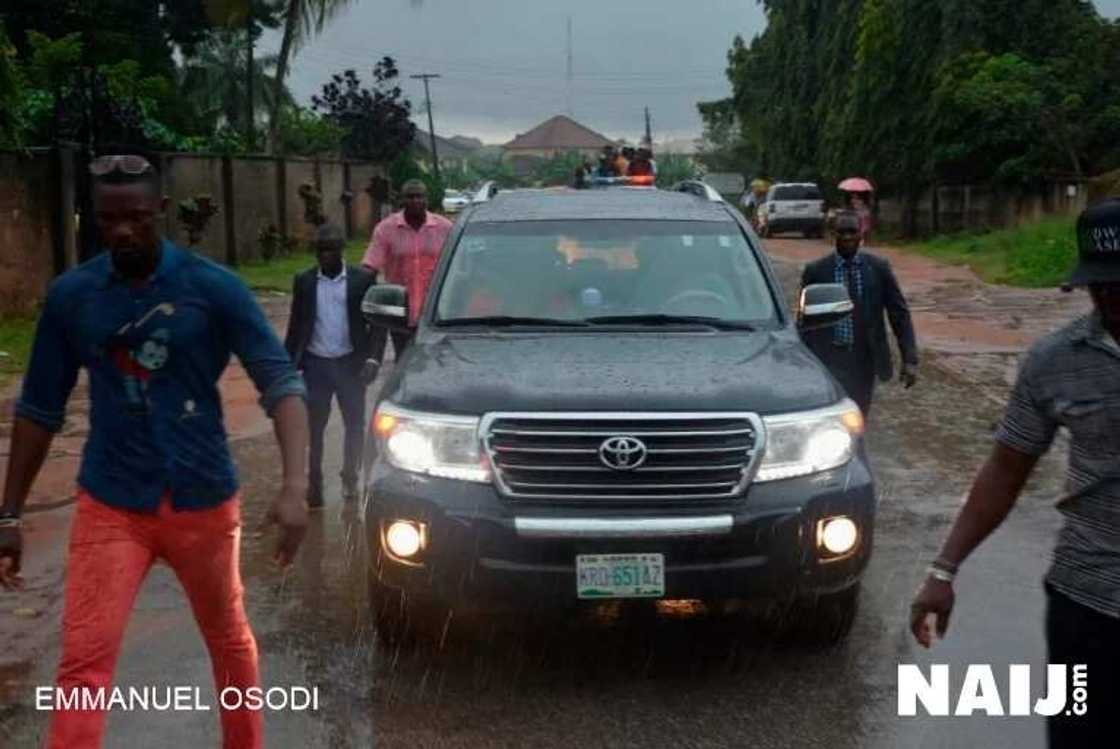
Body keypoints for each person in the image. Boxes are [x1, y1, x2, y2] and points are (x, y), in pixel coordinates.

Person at [0, 146, 309, 749]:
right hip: (111, 505)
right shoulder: (73, 297)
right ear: (93, 217)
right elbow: (38, 409)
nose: (122, 231)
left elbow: (281, 382)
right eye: (109, 219)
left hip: (203, 503)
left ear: (161, 209)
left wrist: (296, 486)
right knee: (83, 665)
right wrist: (9, 513)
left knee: (229, 643)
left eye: (137, 217)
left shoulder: (212, 288)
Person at [910, 198, 1120, 747]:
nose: (1111, 299)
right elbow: (1005, 470)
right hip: (1087, 603)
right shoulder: (1054, 360)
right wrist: (943, 571)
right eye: (1101, 286)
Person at [285, 224, 379, 507]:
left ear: (341, 251)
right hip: (316, 366)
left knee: (355, 424)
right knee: (314, 428)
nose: (324, 255)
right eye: (319, 250)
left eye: (330, 250)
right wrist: (288, 366)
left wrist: (373, 358)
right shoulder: (304, 281)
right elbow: (296, 325)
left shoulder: (362, 281)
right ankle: (315, 485)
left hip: (351, 364)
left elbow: (377, 324)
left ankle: (350, 476)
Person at [799, 210, 918, 415]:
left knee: (859, 416)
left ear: (861, 234)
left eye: (852, 231)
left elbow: (899, 314)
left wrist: (910, 359)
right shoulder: (817, 271)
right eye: (842, 232)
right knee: (831, 415)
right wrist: (802, 362)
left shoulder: (878, 269)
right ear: (833, 234)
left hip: (864, 359)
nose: (847, 237)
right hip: (828, 358)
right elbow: (804, 320)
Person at [361, 179, 453, 355]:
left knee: (439, 361)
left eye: (420, 196)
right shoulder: (386, 229)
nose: (415, 201)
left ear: (427, 199)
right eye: (410, 197)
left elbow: (460, 267)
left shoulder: (445, 228)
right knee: (404, 360)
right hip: (400, 312)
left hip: (436, 312)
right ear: (402, 200)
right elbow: (370, 265)